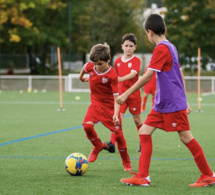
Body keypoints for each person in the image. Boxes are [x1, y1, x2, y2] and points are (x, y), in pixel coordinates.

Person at [116, 14, 215, 187]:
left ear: (149, 32)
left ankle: (208, 175)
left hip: (171, 104)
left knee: (186, 137)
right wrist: (185, 100)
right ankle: (143, 177)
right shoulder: (171, 46)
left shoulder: (161, 49)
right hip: (162, 104)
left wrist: (125, 94)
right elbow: (180, 74)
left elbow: (147, 76)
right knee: (144, 132)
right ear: (165, 30)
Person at [79, 43, 132, 171]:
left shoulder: (112, 75)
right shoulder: (91, 66)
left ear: (108, 60)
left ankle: (126, 163)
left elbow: (116, 98)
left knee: (118, 135)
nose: (97, 67)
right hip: (96, 104)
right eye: (95, 64)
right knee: (87, 126)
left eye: (100, 64)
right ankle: (98, 146)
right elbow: (85, 67)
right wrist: (81, 78)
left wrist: (115, 114)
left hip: (110, 106)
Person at [107, 33, 143, 153]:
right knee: (117, 118)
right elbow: (115, 77)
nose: (128, 48)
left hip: (134, 95)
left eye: (131, 46)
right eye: (126, 45)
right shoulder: (117, 61)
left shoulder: (136, 60)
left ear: (135, 47)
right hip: (121, 95)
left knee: (137, 120)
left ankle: (143, 141)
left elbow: (133, 74)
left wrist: (119, 79)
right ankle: (112, 144)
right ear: (122, 46)